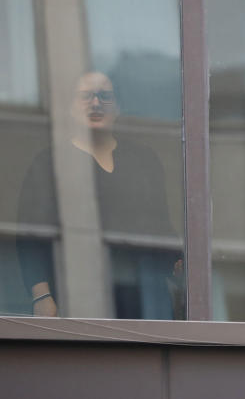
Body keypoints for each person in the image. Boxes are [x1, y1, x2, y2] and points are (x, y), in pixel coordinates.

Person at [17, 71, 182, 319]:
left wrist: (183, 269)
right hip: (77, 295)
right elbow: (30, 236)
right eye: (86, 96)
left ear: (117, 107)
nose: (96, 103)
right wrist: (42, 296)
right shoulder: (50, 163)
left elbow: (162, 228)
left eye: (104, 96)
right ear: (71, 107)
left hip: (144, 297)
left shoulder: (144, 160)